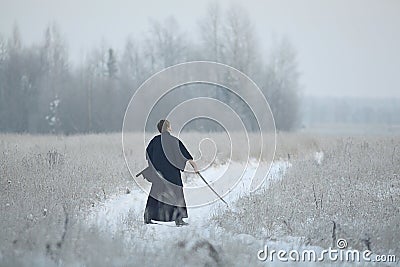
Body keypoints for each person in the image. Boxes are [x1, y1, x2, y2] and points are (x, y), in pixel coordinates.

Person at [144, 119, 198, 226]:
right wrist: (195, 167)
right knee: (177, 195)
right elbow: (186, 156)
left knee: (155, 194)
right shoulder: (174, 140)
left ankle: (148, 217)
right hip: (172, 173)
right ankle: (178, 219)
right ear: (168, 128)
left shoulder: (154, 141)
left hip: (159, 174)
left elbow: (148, 155)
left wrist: (154, 167)